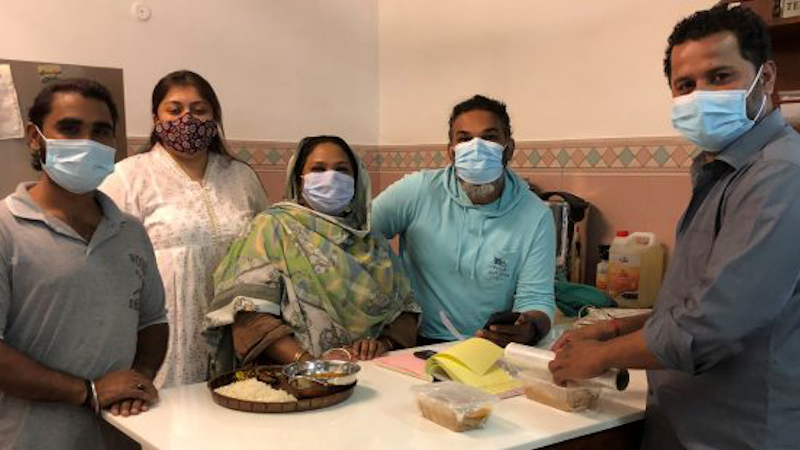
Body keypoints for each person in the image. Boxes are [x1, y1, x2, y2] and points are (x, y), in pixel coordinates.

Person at [549, 6, 800, 449]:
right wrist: (612, 330)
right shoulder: (718, 171)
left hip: (741, 431)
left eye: (720, 77)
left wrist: (602, 355)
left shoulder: (781, 174)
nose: (700, 95)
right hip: (685, 420)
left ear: (766, 78)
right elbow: (692, 302)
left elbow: (715, 323)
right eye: (686, 85)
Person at [0, 79, 168, 449]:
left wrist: (137, 379)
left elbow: (153, 320)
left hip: (122, 433)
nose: (87, 143)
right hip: (31, 439)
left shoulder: (130, 231)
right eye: (71, 128)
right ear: (34, 137)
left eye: (100, 132)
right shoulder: (6, 229)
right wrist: (87, 392)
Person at [100, 70, 269, 387]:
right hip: (166, 335)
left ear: (214, 116)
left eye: (199, 109)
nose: (187, 118)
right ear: (155, 117)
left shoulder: (242, 177)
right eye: (174, 110)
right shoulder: (128, 177)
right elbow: (105, 266)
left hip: (241, 330)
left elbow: (268, 247)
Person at [206, 135, 419, 372]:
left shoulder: (371, 240)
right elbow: (249, 316)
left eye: (342, 170)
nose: (331, 177)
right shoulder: (271, 228)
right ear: (299, 181)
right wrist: (310, 364)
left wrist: (381, 343)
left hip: (372, 373)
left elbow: (406, 312)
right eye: (318, 169)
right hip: (294, 379)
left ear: (356, 181)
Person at [371, 95, 556, 347]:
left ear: (508, 148)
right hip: (415, 344)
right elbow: (360, 235)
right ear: (451, 152)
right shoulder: (417, 191)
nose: (476, 147)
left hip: (486, 347)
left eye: (489, 137)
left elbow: (537, 299)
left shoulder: (535, 215)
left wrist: (530, 327)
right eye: (465, 139)